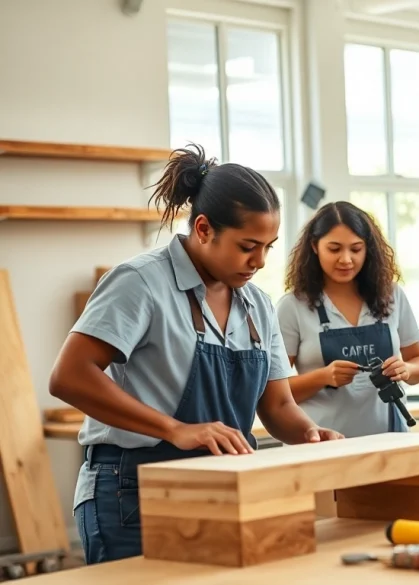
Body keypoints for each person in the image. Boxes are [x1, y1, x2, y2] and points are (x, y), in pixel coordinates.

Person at [49, 144, 343, 565]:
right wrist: (175, 429)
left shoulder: (258, 305)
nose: (259, 261)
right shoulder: (140, 283)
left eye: (268, 246)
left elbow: (278, 405)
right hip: (133, 489)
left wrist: (311, 434)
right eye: (247, 246)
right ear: (203, 229)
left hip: (227, 485)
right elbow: (69, 376)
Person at [276, 201, 419, 437]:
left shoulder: (392, 295)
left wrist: (406, 369)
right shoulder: (292, 306)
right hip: (322, 444)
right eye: (334, 249)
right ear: (315, 246)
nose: (346, 259)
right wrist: (323, 377)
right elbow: (275, 394)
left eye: (356, 249)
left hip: (389, 439)